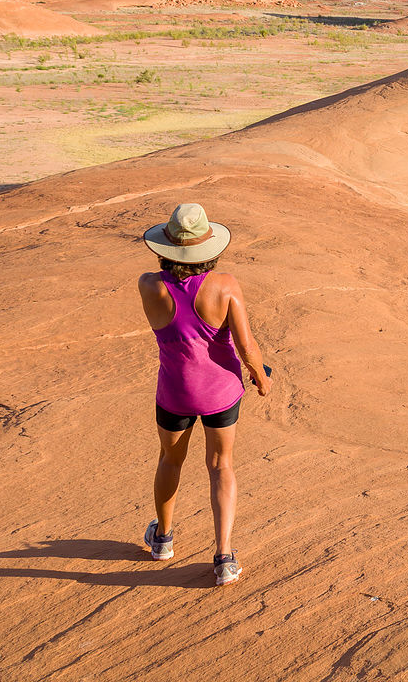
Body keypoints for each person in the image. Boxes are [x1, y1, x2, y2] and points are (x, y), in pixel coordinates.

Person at [137, 202, 271, 586]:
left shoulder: (148, 284)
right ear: (209, 249)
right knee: (221, 466)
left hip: (175, 392)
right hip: (220, 393)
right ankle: (224, 557)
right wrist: (261, 378)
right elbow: (247, 348)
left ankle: (162, 540)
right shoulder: (225, 285)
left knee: (170, 460)